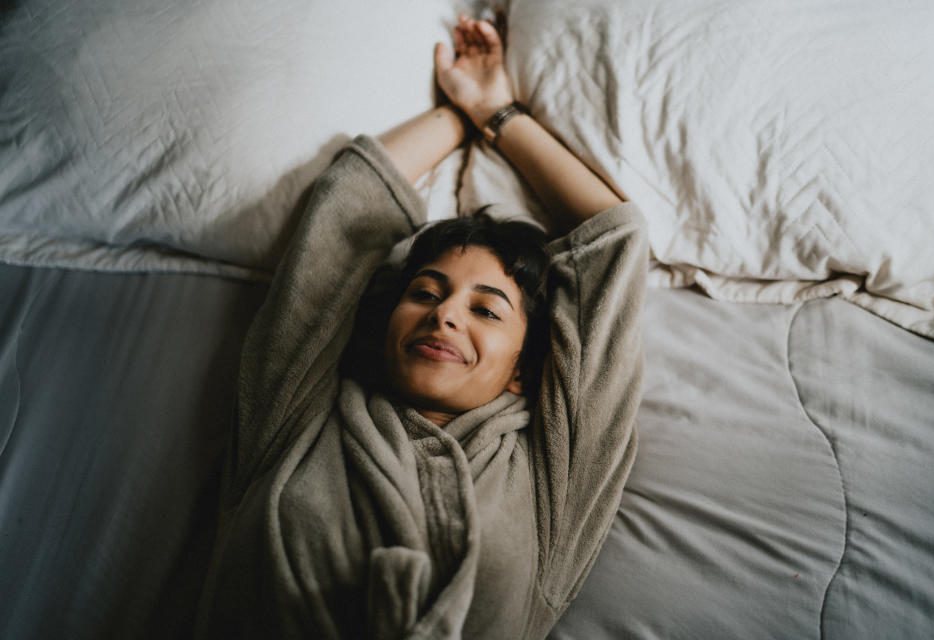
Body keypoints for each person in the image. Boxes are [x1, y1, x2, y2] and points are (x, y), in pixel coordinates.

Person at [195, 14, 648, 640]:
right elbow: (347, 203)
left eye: (486, 310)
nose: (445, 313)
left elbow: (615, 243)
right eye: (425, 293)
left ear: (522, 367)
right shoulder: (295, 416)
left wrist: (498, 113)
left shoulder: (549, 477)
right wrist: (455, 115)